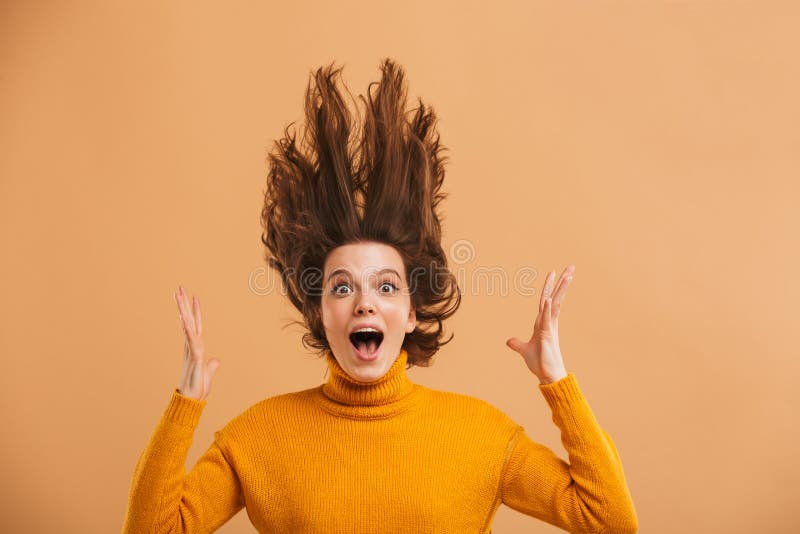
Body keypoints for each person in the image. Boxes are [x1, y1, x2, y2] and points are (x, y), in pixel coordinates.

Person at [122, 59, 638, 533]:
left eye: (385, 286)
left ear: (411, 313)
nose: (364, 303)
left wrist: (557, 381)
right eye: (342, 287)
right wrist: (184, 404)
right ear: (319, 312)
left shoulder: (481, 436)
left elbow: (610, 520)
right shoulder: (257, 438)